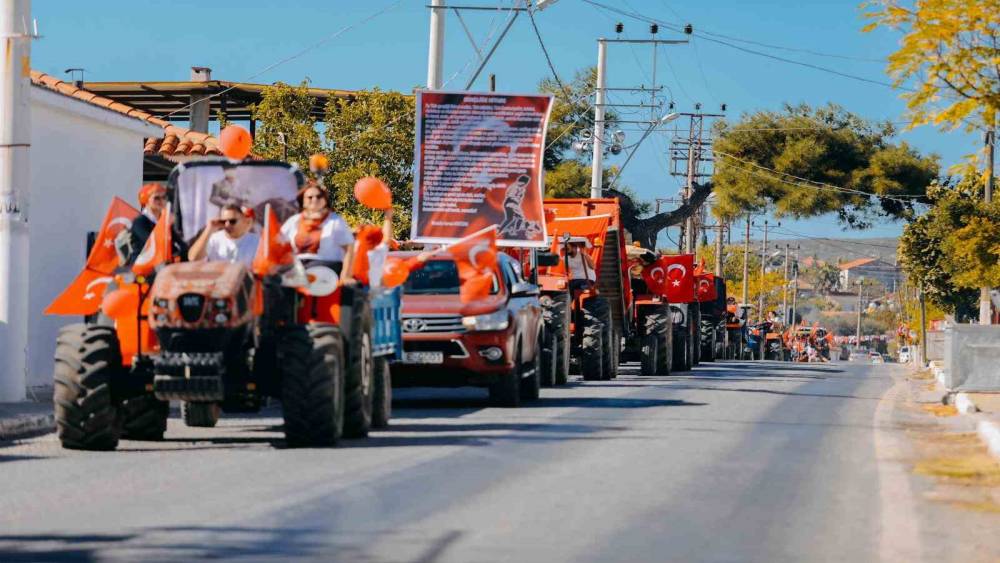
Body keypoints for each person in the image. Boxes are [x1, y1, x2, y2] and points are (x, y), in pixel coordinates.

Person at [281, 182, 355, 281]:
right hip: (298, 265)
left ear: (325, 200)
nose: (314, 199)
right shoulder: (294, 221)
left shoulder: (335, 221)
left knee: (307, 274)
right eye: (310, 197)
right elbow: (279, 243)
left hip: (325, 265)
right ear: (303, 201)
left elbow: (349, 249)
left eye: (319, 196)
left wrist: (346, 275)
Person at [115, 183, 187, 265]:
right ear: (146, 200)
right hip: (142, 266)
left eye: (164, 197)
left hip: (160, 263)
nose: (162, 201)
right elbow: (153, 244)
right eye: (156, 198)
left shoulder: (163, 219)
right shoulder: (139, 222)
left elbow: (179, 244)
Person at [187, 204, 260, 266]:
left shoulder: (258, 241)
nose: (227, 225)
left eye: (232, 221)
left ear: (244, 221)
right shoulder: (214, 239)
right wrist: (209, 229)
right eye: (223, 221)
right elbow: (193, 259)